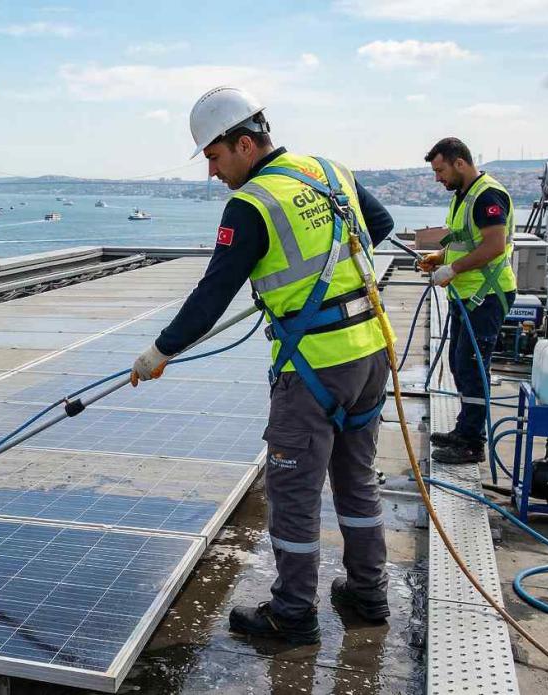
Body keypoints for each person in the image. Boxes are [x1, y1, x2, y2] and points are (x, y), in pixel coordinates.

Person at [131, 86, 396, 644]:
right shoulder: (329, 170)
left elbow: (212, 295)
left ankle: (293, 614)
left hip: (315, 368)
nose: (212, 172)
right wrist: (321, 283)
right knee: (357, 481)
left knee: (294, 493)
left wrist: (159, 352)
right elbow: (381, 223)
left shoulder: (251, 204)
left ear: (245, 144)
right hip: (370, 352)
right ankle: (369, 594)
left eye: (214, 157)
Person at [417, 138, 516, 464]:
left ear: (459, 163)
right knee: (460, 363)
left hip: (486, 295)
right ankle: (465, 429)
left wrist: (453, 269)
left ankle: (473, 443)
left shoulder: (487, 196)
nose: (438, 178)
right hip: (468, 295)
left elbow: (494, 246)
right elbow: (466, 241)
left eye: (440, 170)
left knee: (472, 366)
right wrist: (440, 256)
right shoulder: (464, 195)